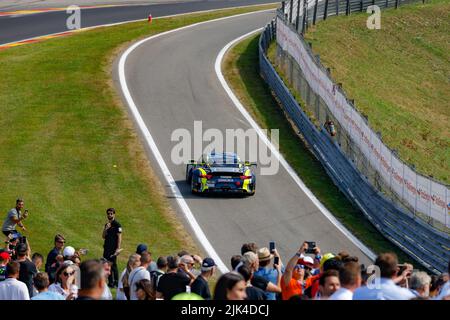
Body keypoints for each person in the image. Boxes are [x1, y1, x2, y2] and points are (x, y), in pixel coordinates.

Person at [102, 208, 122, 288]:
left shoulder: (117, 225)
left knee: (113, 265)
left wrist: (118, 248)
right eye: (108, 214)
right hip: (106, 248)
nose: (109, 215)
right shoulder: (107, 225)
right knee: (107, 264)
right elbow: (103, 236)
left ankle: (116, 282)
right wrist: (106, 229)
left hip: (113, 249)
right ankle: (110, 282)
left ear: (114, 214)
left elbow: (119, 237)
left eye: (111, 213)